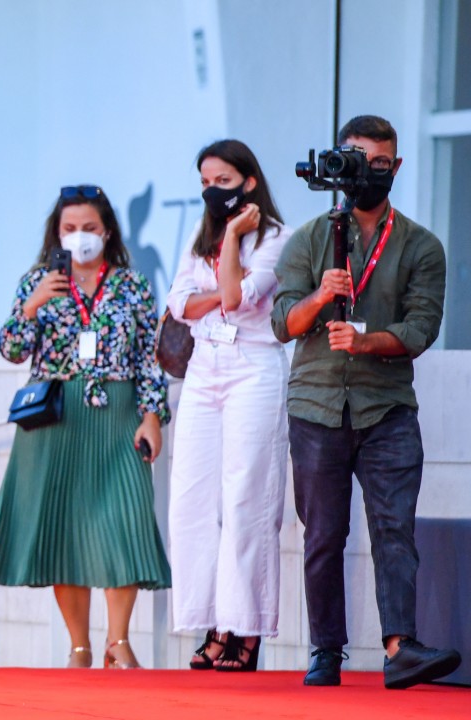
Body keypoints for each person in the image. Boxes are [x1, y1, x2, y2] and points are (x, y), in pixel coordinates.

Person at [272, 115, 461, 689]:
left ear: (396, 167)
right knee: (323, 535)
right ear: (339, 160)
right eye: (359, 160)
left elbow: (421, 329)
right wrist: (320, 296)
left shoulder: (421, 246)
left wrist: (366, 340)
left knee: (393, 529)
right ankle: (326, 651)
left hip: (387, 408)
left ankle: (401, 648)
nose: (369, 172)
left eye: (381, 163)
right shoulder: (310, 238)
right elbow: (282, 322)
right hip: (316, 406)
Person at [0, 184, 172, 670]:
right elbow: (12, 350)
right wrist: (32, 305)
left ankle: (119, 642)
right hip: (56, 418)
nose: (79, 236)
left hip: (117, 414)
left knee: (124, 523)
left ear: (106, 232)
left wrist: (152, 416)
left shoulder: (131, 284)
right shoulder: (38, 281)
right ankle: (80, 647)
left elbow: (149, 356)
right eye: (69, 228)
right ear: (57, 233)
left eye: (88, 227)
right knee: (65, 530)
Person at [165, 140, 291, 671]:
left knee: (246, 497)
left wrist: (235, 241)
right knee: (192, 497)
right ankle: (213, 620)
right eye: (205, 183)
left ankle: (247, 626)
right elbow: (178, 303)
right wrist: (219, 289)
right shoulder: (200, 238)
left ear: (249, 182)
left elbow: (239, 298)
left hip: (252, 367)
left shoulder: (275, 237)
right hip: (203, 369)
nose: (212, 192)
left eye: (222, 181)